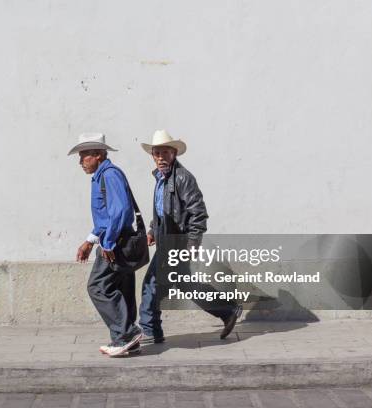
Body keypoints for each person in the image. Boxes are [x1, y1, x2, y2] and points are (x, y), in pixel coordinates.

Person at [138, 130, 242, 344]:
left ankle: (150, 330)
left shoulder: (183, 178)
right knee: (184, 283)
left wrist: (193, 242)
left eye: (165, 152)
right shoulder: (160, 178)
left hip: (178, 243)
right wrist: (152, 230)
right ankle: (227, 310)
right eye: (157, 153)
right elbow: (161, 210)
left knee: (151, 284)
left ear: (174, 153)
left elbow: (198, 212)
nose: (160, 157)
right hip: (167, 241)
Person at [68, 133, 143, 357]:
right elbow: (105, 215)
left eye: (84, 156)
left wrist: (107, 243)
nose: (80, 162)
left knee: (98, 287)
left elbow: (120, 211)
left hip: (115, 242)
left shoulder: (109, 175)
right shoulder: (102, 176)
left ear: (98, 155)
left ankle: (126, 334)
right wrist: (90, 241)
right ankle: (129, 339)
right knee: (122, 288)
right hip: (116, 238)